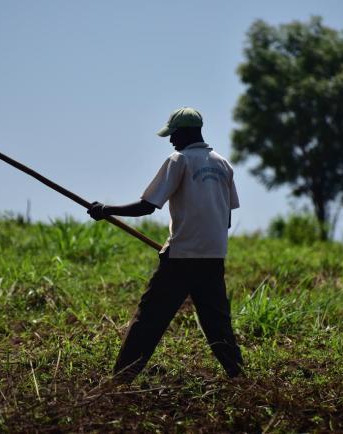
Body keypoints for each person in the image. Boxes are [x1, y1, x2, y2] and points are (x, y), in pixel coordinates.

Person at [87, 107, 244, 383]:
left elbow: (147, 206)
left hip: (181, 259)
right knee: (217, 324)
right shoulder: (223, 164)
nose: (171, 140)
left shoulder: (179, 160)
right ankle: (240, 378)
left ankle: (119, 381)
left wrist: (106, 210)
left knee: (149, 319)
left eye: (173, 135)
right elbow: (225, 219)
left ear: (186, 132)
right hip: (213, 257)